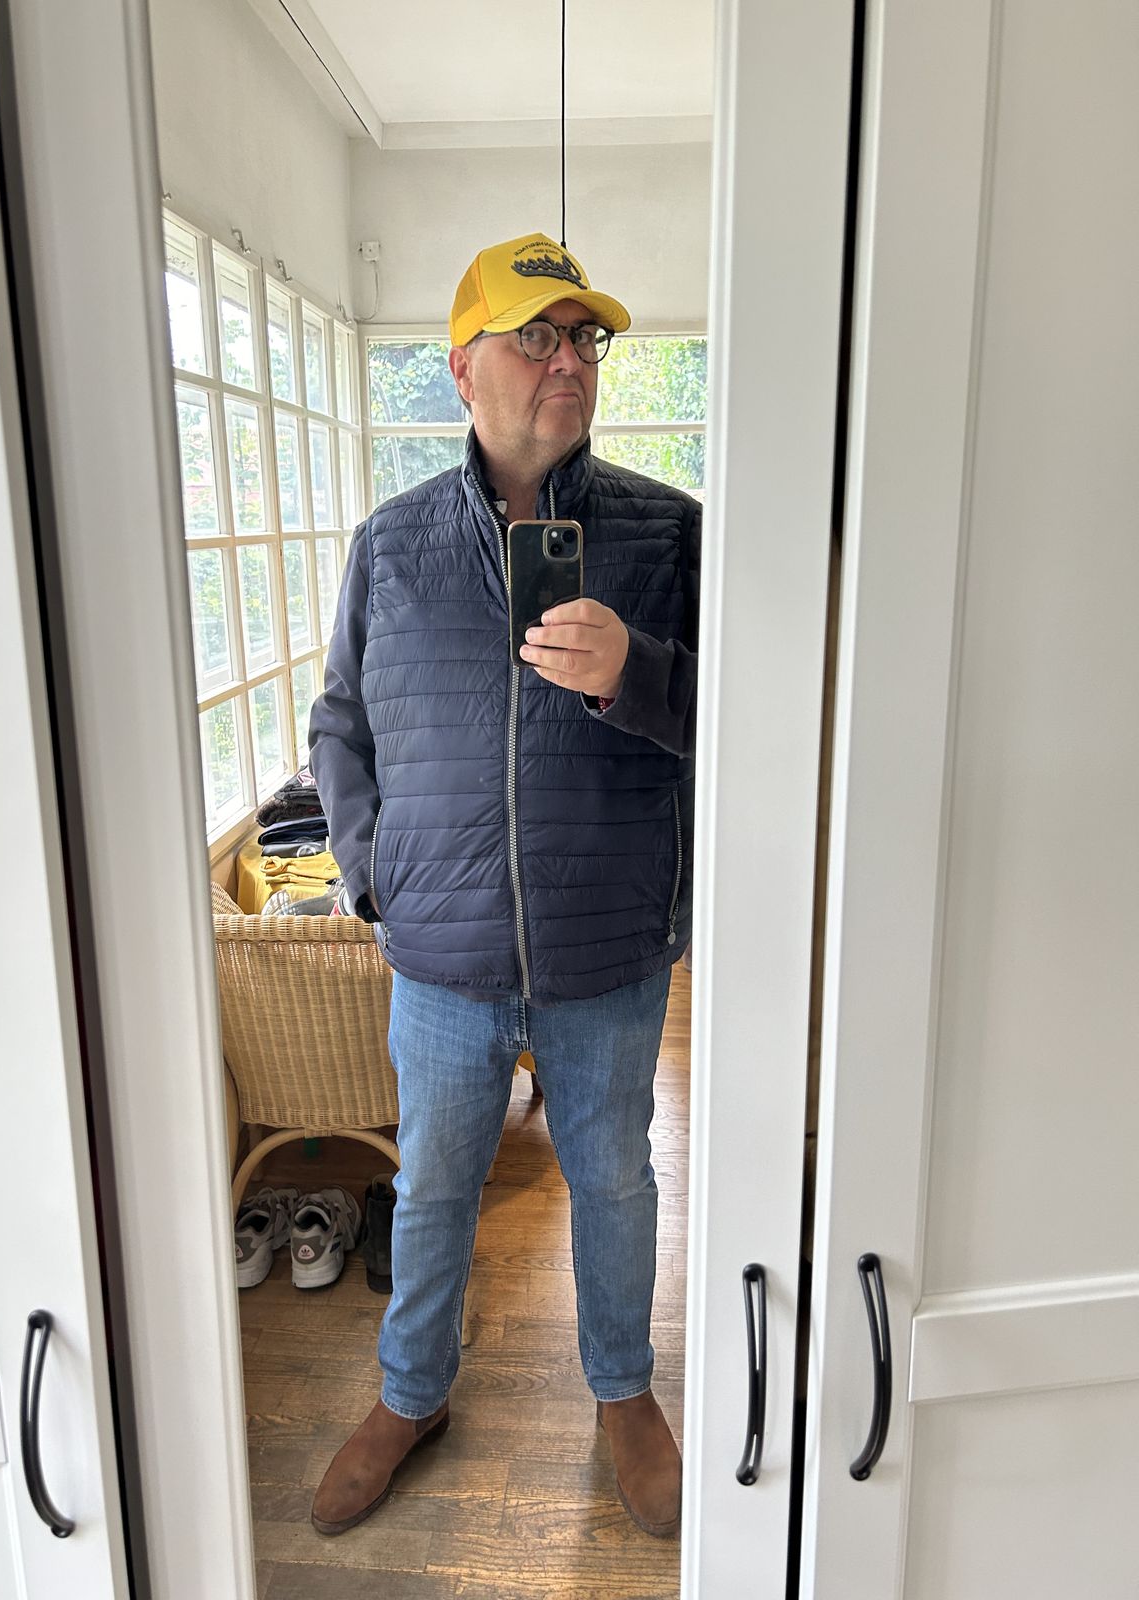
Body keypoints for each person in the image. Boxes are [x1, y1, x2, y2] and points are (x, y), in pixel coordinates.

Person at [307, 231, 699, 1540]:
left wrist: (637, 672)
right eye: (536, 336)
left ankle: (624, 1392)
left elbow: (746, 718)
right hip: (443, 960)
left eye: (584, 337)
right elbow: (341, 725)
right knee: (432, 1188)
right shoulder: (392, 546)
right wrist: (374, 877)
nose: (568, 360)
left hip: (608, 952)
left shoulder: (670, 534)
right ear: (463, 367)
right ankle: (410, 1395)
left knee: (618, 1185)